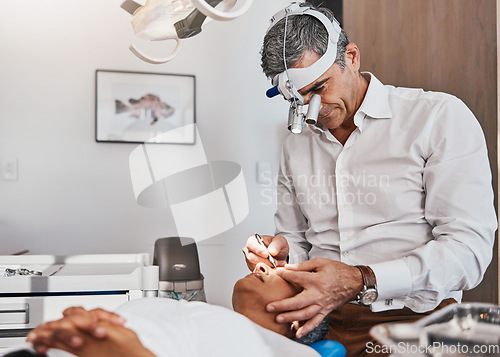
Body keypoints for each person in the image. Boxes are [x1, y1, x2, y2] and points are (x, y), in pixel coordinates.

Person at [242, 2, 497, 356]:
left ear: (352, 56)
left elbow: (468, 253)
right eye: (297, 99)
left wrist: (361, 279)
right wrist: (283, 254)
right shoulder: (296, 146)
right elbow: (298, 240)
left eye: (319, 87)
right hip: (323, 315)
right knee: (246, 298)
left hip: (416, 321)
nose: (313, 108)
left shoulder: (438, 118)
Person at [5, 263, 338, 357]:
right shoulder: (208, 313)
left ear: (300, 322)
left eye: (290, 280)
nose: (267, 268)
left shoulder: (259, 346)